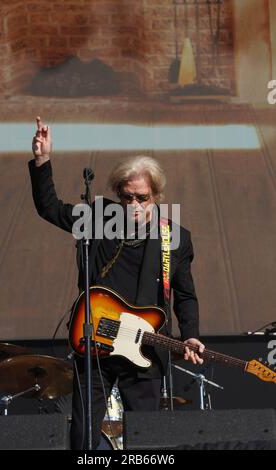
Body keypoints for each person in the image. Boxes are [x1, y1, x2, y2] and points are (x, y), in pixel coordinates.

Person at [29, 116, 205, 450]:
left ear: (156, 195)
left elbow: (185, 294)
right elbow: (49, 208)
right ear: (118, 196)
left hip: (146, 348)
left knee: (147, 440)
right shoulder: (98, 218)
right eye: (128, 198)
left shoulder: (176, 237)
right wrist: (42, 160)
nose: (134, 205)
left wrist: (191, 333)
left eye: (143, 198)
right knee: (83, 436)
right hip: (96, 342)